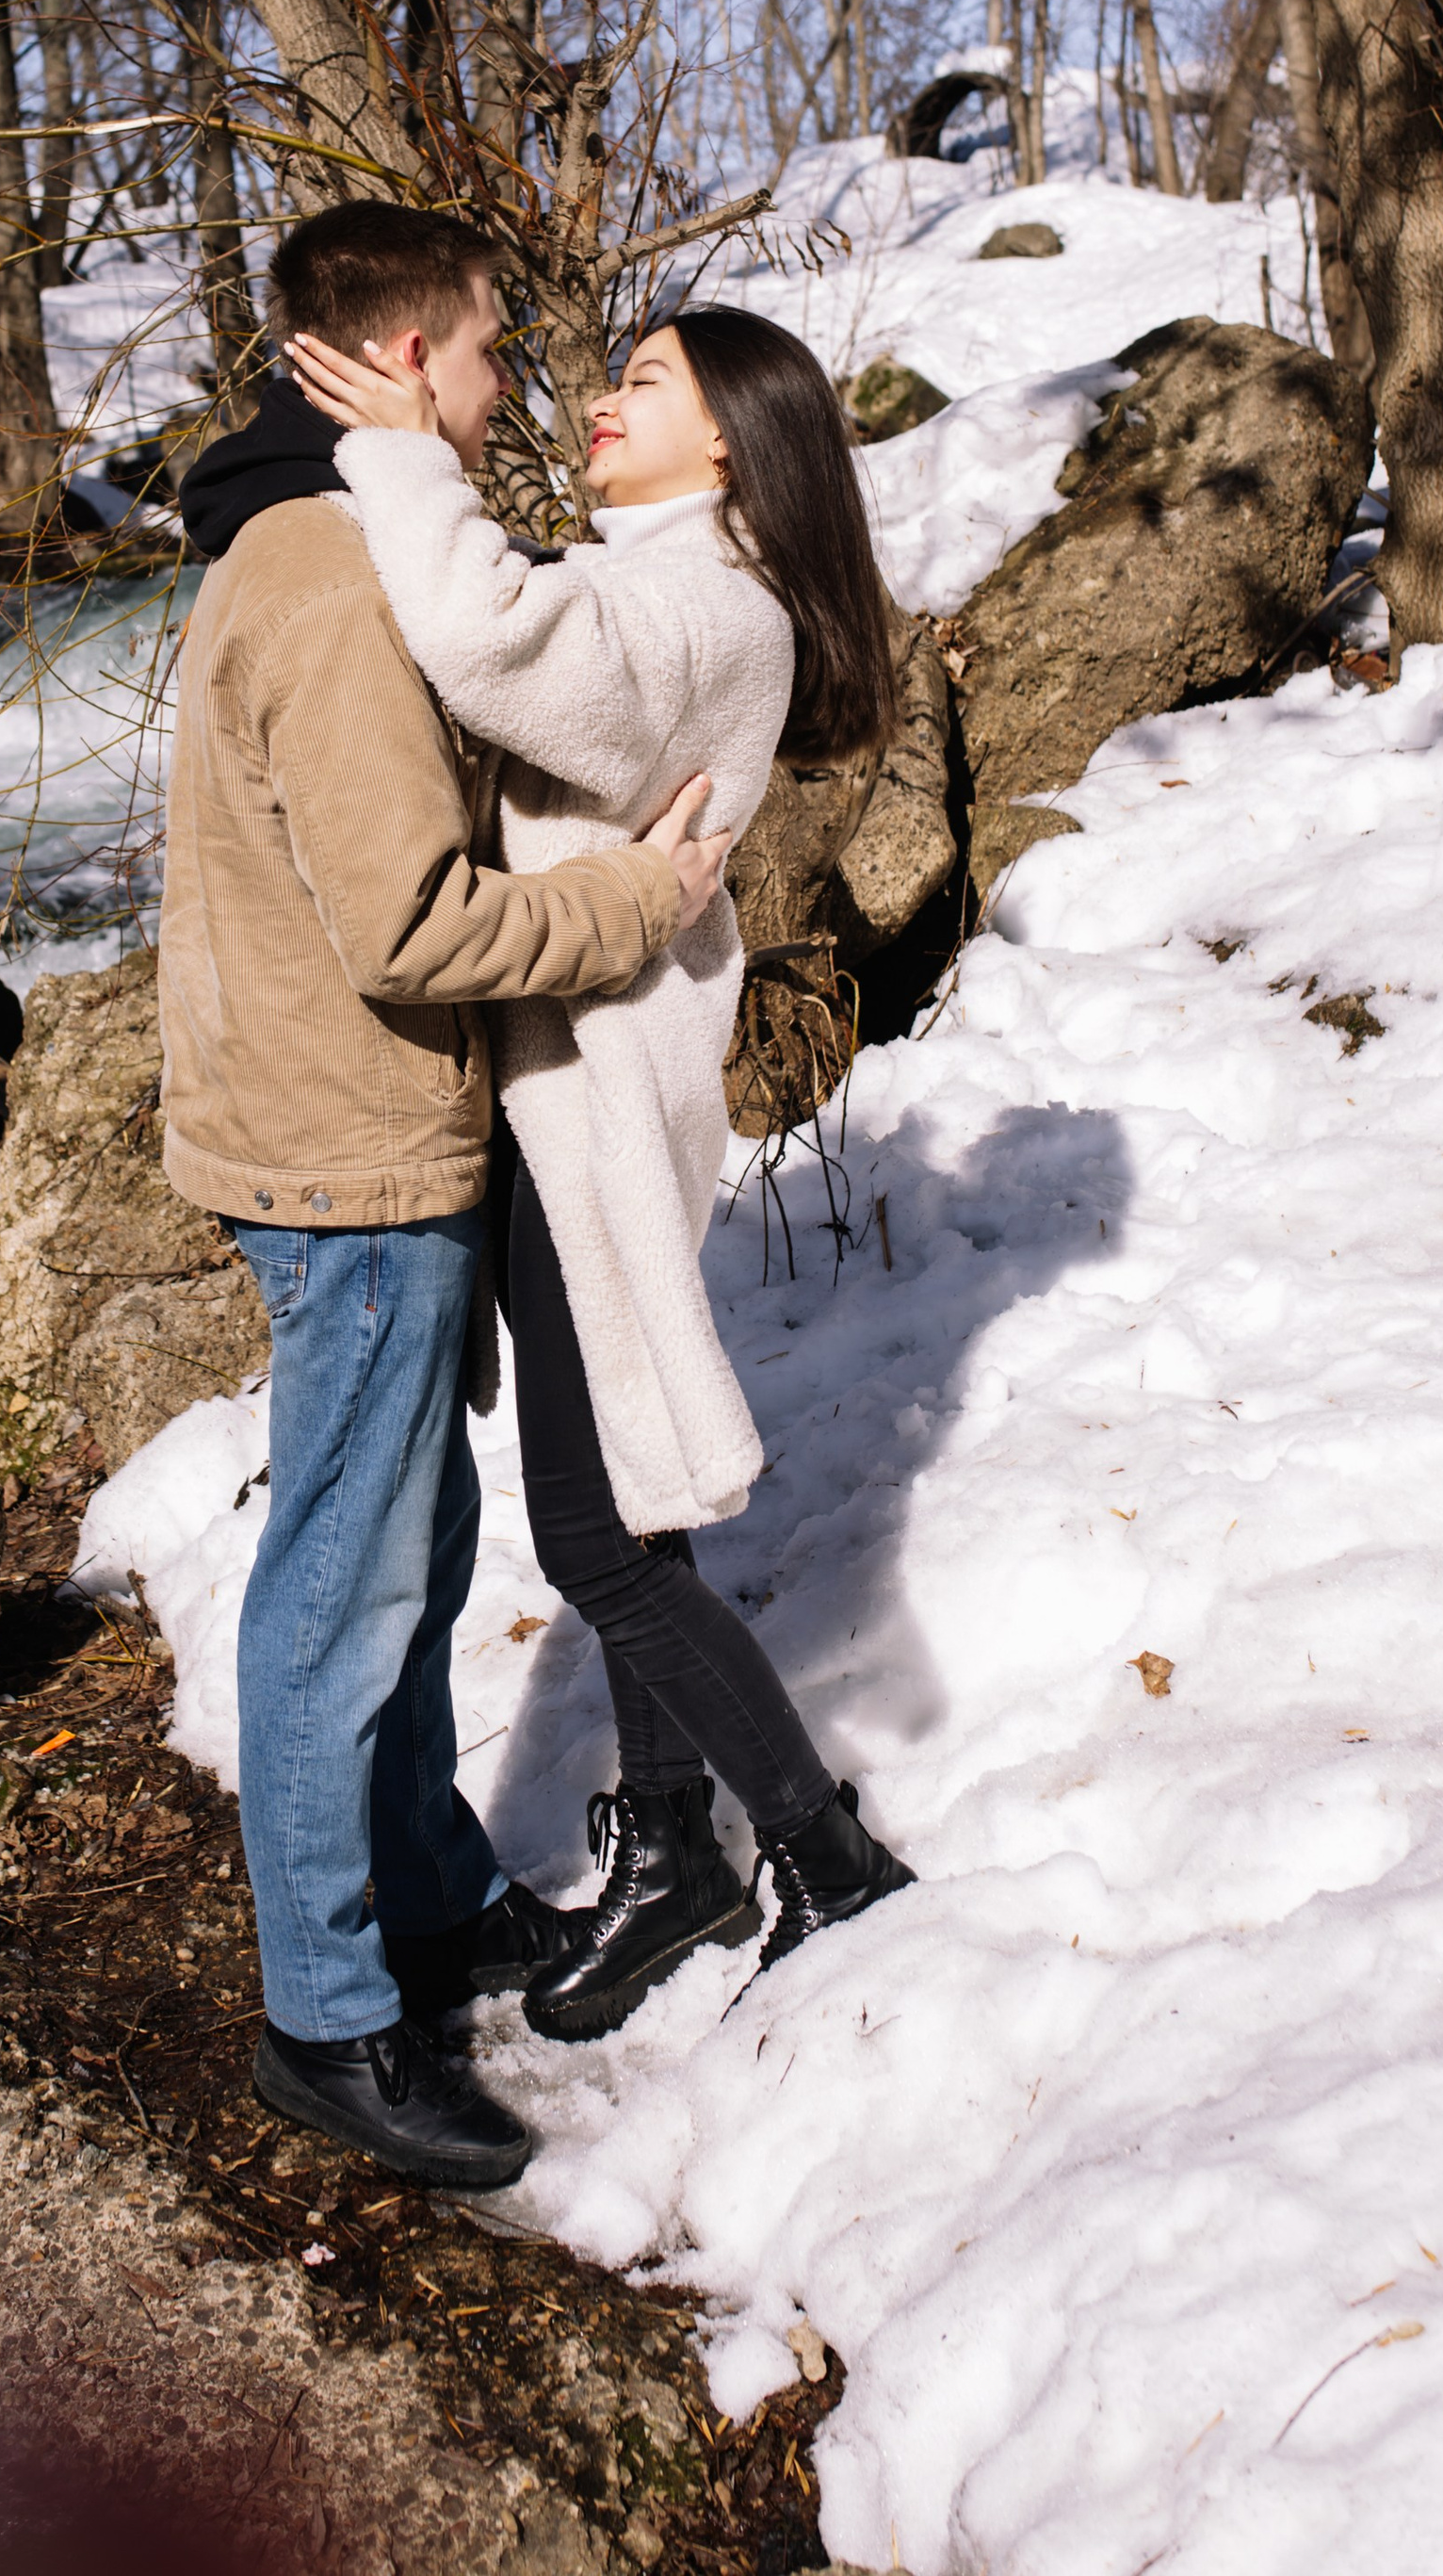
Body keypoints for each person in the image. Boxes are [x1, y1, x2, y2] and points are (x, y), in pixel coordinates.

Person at [158, 199, 733, 2188]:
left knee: (401, 1543)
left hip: (351, 1137)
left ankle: (423, 1895)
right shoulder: (326, 578)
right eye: (488, 349)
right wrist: (637, 900)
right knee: (345, 1583)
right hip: (350, 1152)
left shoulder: (315, 537)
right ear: (403, 360)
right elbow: (408, 926)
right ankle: (329, 2022)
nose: (508, 389)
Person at [286, 300, 917, 2044]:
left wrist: (405, 456)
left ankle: (817, 1849)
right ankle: (672, 1853)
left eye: (643, 382)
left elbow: (497, 647)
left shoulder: (704, 601)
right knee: (624, 1497)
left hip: (599, 1109)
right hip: (571, 1091)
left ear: (733, 437)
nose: (598, 401)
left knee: (600, 1533)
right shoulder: (663, 578)